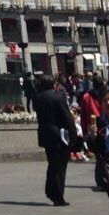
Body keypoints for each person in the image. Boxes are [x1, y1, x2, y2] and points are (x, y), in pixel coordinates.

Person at [34, 74, 79, 206]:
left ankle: (51, 191)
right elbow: (67, 117)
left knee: (52, 164)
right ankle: (58, 196)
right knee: (60, 167)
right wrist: (73, 135)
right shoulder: (58, 97)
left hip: (46, 135)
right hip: (60, 136)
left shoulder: (38, 98)